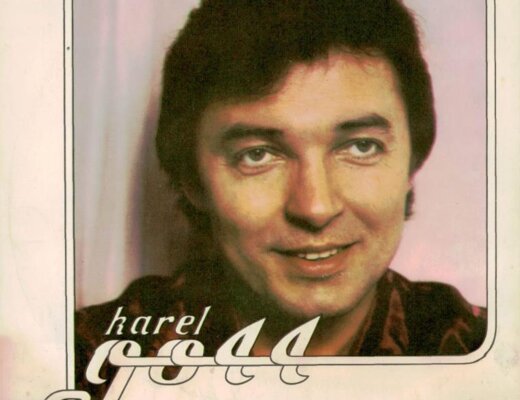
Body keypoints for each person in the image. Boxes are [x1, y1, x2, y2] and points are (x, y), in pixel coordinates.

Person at [76, 0, 487, 395]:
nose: (316, 207)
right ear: (193, 180)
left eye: (361, 147)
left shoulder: (483, 353)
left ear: (411, 162)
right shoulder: (90, 362)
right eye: (257, 155)